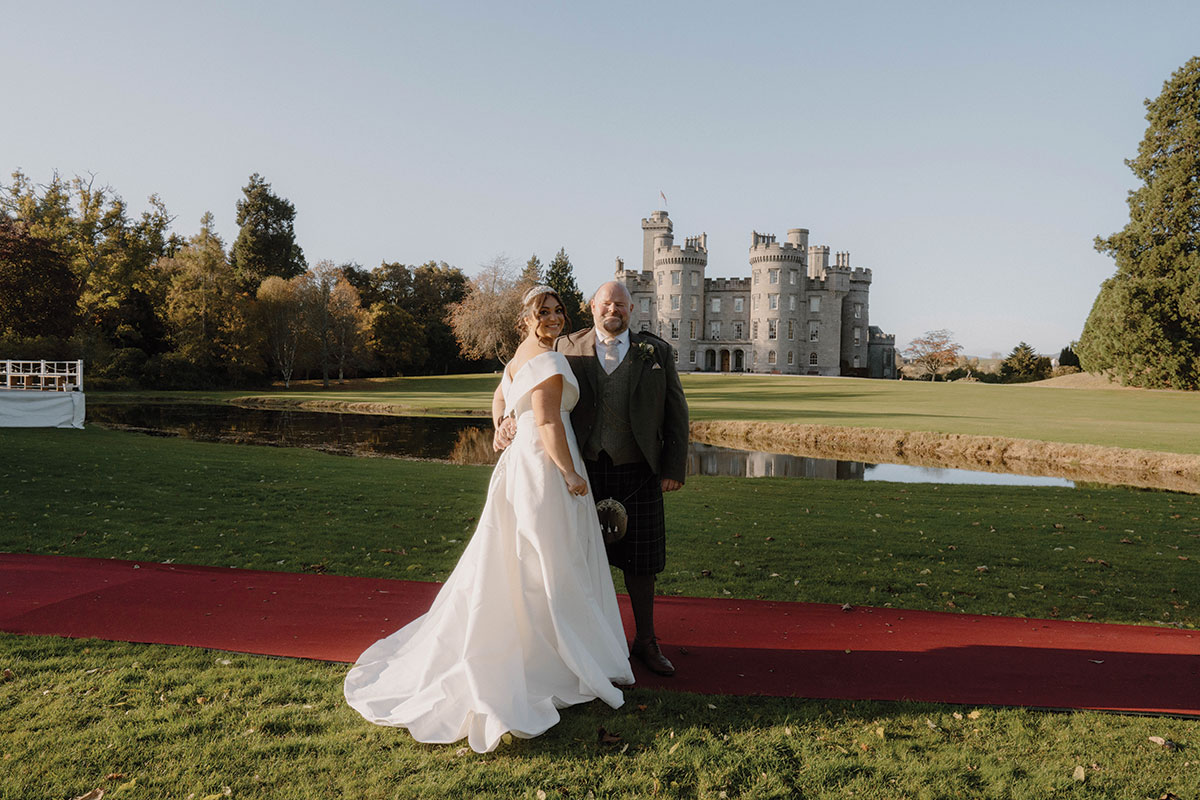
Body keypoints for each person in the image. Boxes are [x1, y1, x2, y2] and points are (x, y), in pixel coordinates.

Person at [344, 286, 634, 754]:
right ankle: (557, 656)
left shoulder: (520, 358)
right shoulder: (547, 360)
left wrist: (500, 425)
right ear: (527, 318)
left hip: (518, 468)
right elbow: (547, 423)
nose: (554, 318)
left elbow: (500, 399)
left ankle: (542, 640)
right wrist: (571, 475)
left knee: (521, 558)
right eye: (544, 312)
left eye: (559, 311)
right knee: (549, 562)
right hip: (544, 469)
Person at [555, 281, 689, 676]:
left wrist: (673, 468)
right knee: (578, 559)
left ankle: (645, 641)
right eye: (606, 303)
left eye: (621, 304)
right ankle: (582, 642)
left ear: (632, 308)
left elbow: (676, 411)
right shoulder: (566, 347)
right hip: (584, 470)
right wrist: (507, 419)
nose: (613, 309)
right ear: (592, 306)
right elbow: (532, 391)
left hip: (640, 470)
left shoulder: (657, 351)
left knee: (641, 564)